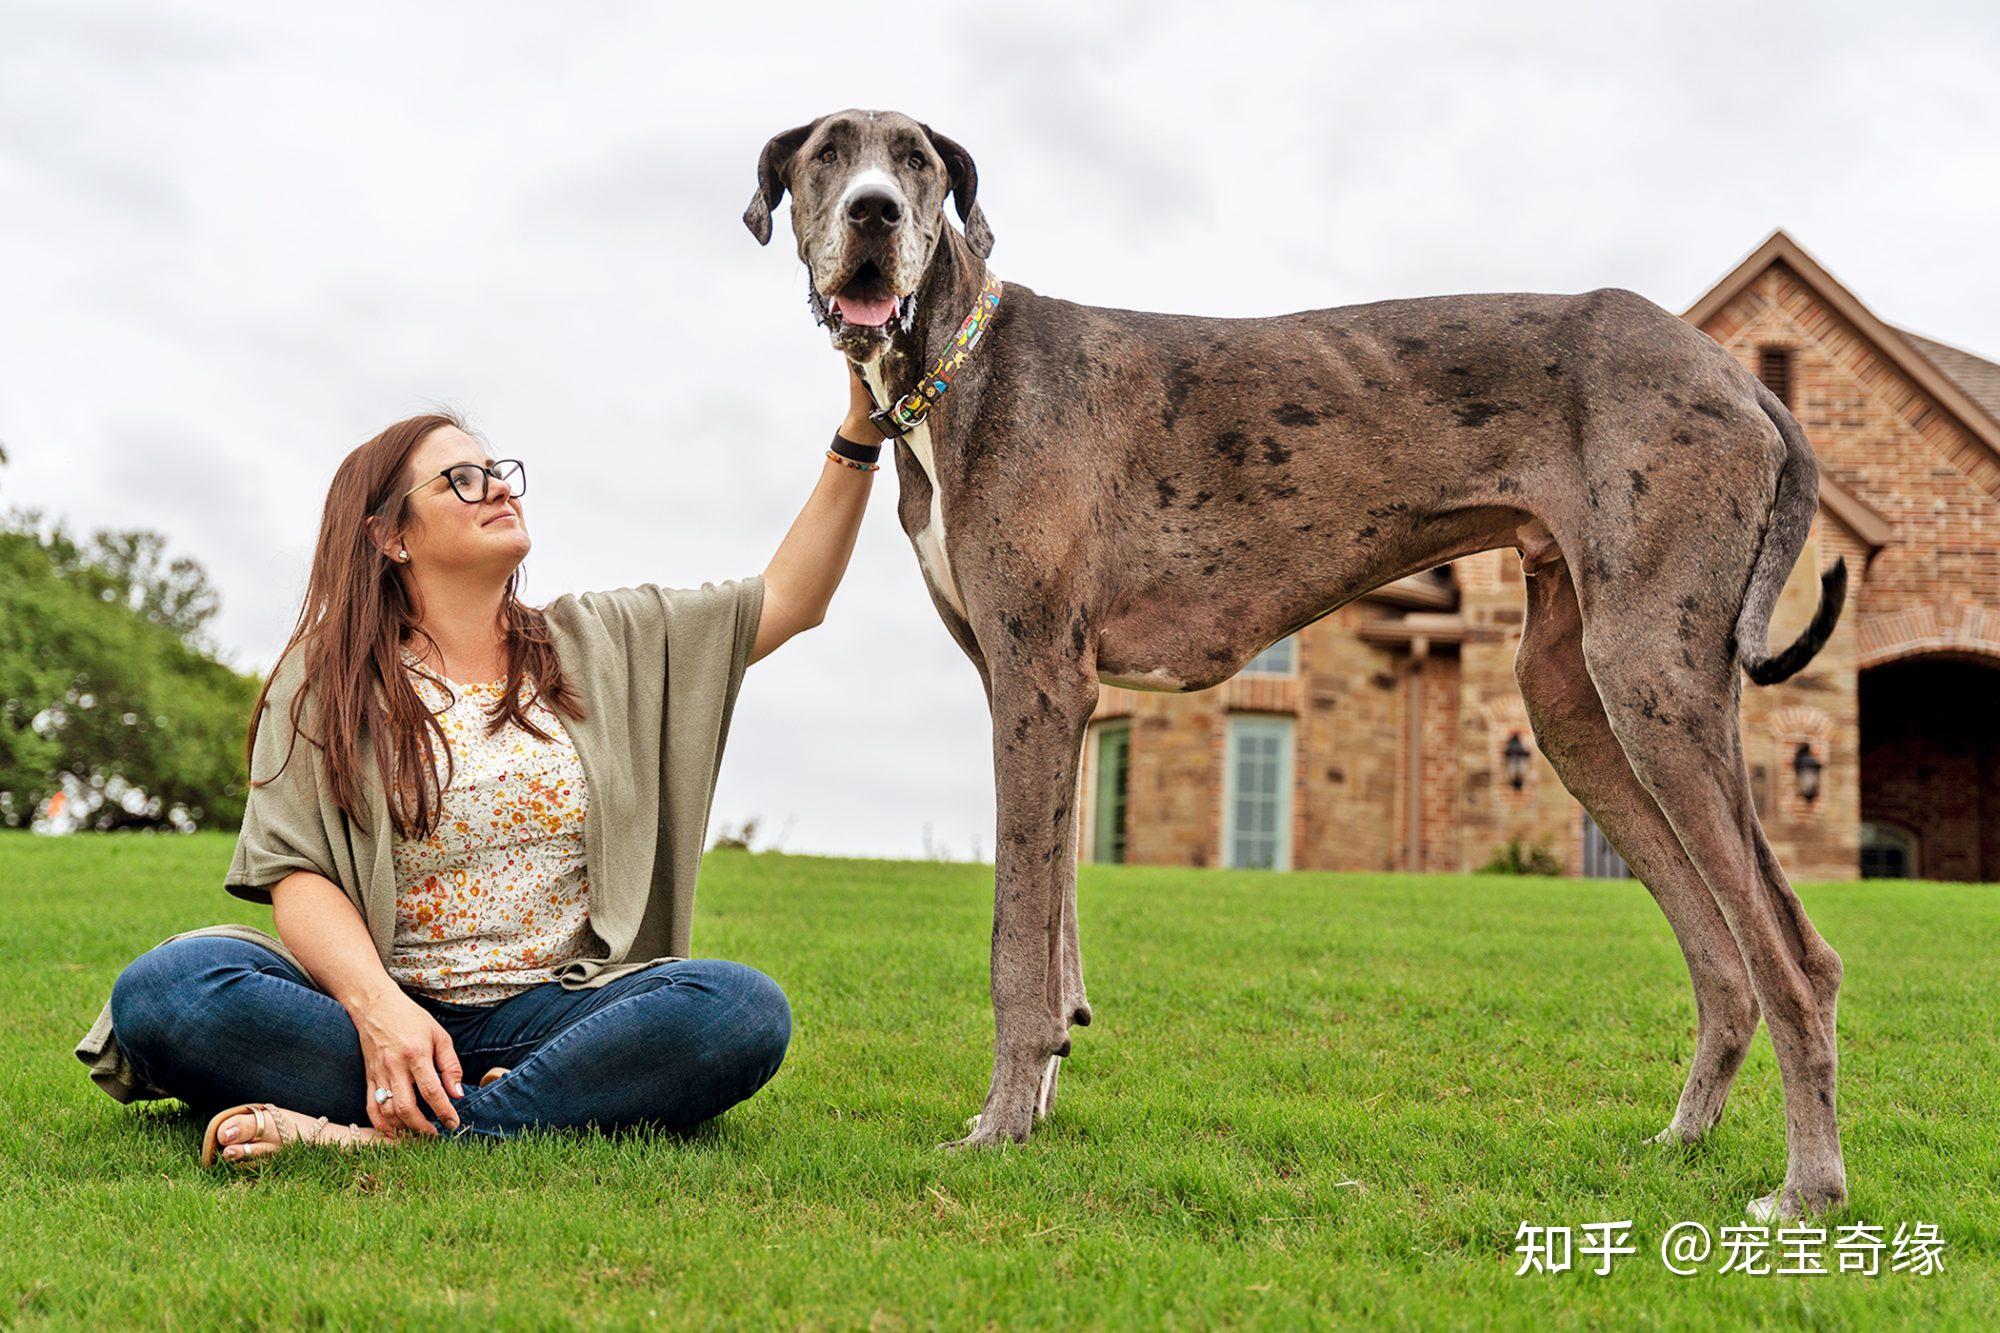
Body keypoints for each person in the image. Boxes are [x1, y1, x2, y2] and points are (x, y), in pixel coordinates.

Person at [95, 370, 887, 1164]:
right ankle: (506, 1104)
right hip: (369, 1014)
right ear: (389, 536)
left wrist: (861, 429)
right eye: (460, 480)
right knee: (166, 989)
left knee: (739, 1008)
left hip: (559, 1017)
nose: (498, 490)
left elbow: (792, 596)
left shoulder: (606, 639)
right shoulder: (322, 677)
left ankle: (382, 1135)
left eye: (499, 472)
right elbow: (296, 874)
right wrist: (381, 1013)